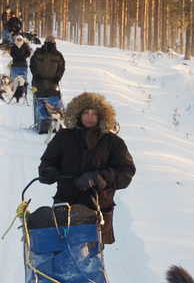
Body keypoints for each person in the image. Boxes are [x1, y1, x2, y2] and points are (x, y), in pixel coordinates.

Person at [38, 92, 135, 245]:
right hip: (65, 205)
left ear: (102, 116)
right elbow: (46, 163)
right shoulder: (63, 137)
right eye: (86, 112)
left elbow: (126, 172)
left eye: (94, 113)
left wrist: (99, 177)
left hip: (98, 208)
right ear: (78, 114)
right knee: (61, 252)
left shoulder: (112, 142)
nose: (89, 117)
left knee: (92, 259)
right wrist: (49, 173)